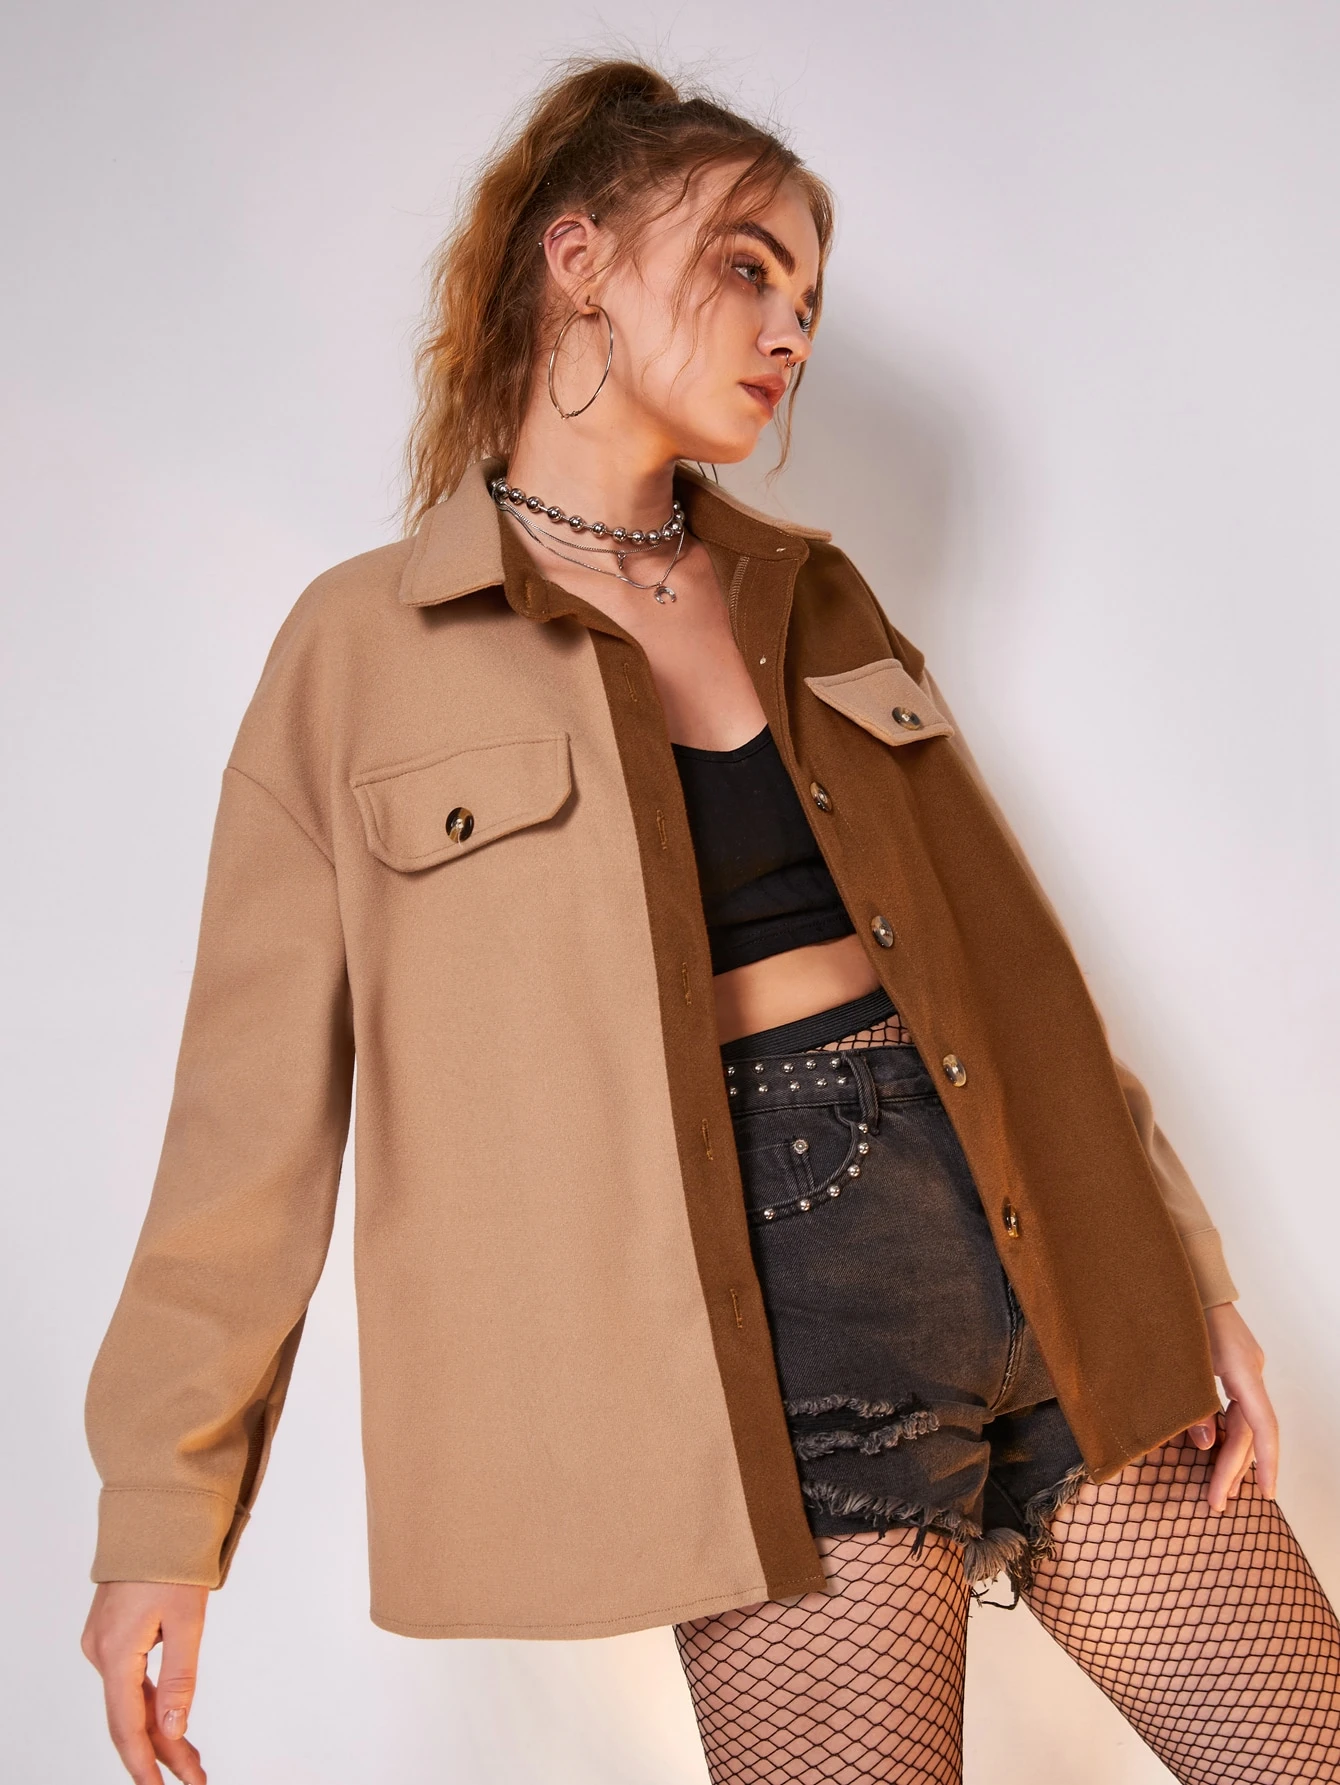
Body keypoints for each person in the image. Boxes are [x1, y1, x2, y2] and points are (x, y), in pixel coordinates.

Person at [80, 56, 1339, 1785]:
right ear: (578, 258)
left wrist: (1183, 1273)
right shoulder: (363, 652)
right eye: (747, 265)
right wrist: (163, 1522)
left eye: (807, 296)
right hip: (767, 1333)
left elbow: (1016, 976)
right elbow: (249, 1128)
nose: (788, 327)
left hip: (1042, 1250)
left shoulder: (812, 592)